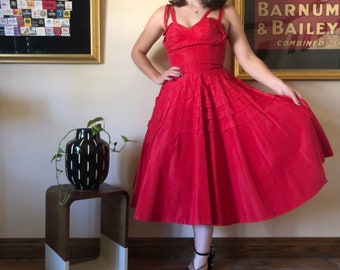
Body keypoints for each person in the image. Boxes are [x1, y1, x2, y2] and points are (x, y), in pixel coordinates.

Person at [130, 0, 333, 269]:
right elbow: (138, 52)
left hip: (218, 100)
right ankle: (202, 256)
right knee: (190, 176)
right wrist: (157, 76)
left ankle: (200, 261)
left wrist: (281, 87)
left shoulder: (225, 12)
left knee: (212, 175)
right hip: (178, 103)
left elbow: (247, 58)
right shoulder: (164, 13)